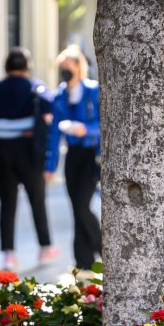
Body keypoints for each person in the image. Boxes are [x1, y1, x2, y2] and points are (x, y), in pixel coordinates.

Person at [0, 47, 59, 269]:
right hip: (28, 149)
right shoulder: (35, 86)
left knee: (7, 201)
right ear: (27, 67)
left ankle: (9, 254)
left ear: (6, 67)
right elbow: (50, 104)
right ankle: (45, 248)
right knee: (37, 198)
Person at [45, 45, 101, 271]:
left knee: (82, 206)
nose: (64, 70)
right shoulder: (59, 95)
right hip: (73, 156)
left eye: (67, 66)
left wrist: (85, 130)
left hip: (90, 155)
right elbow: (54, 134)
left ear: (79, 66)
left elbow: (103, 124)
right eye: (61, 67)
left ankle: (103, 249)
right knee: (75, 207)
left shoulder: (93, 91)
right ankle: (83, 261)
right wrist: (50, 165)